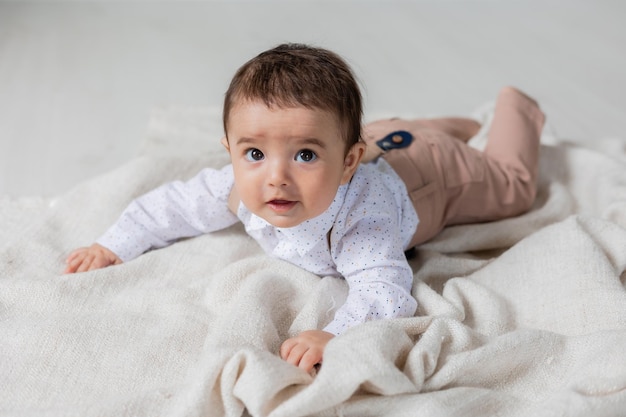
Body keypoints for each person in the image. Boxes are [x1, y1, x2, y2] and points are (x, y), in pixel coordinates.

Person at [64, 43, 545, 372]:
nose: (275, 176)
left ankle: (513, 108)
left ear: (346, 163)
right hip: (374, 142)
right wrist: (113, 245)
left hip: (432, 177)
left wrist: (333, 334)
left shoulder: (363, 221)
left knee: (514, 187)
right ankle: (418, 128)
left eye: (305, 156)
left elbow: (385, 289)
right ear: (230, 149)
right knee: (379, 132)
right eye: (254, 152)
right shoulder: (238, 185)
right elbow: (172, 205)